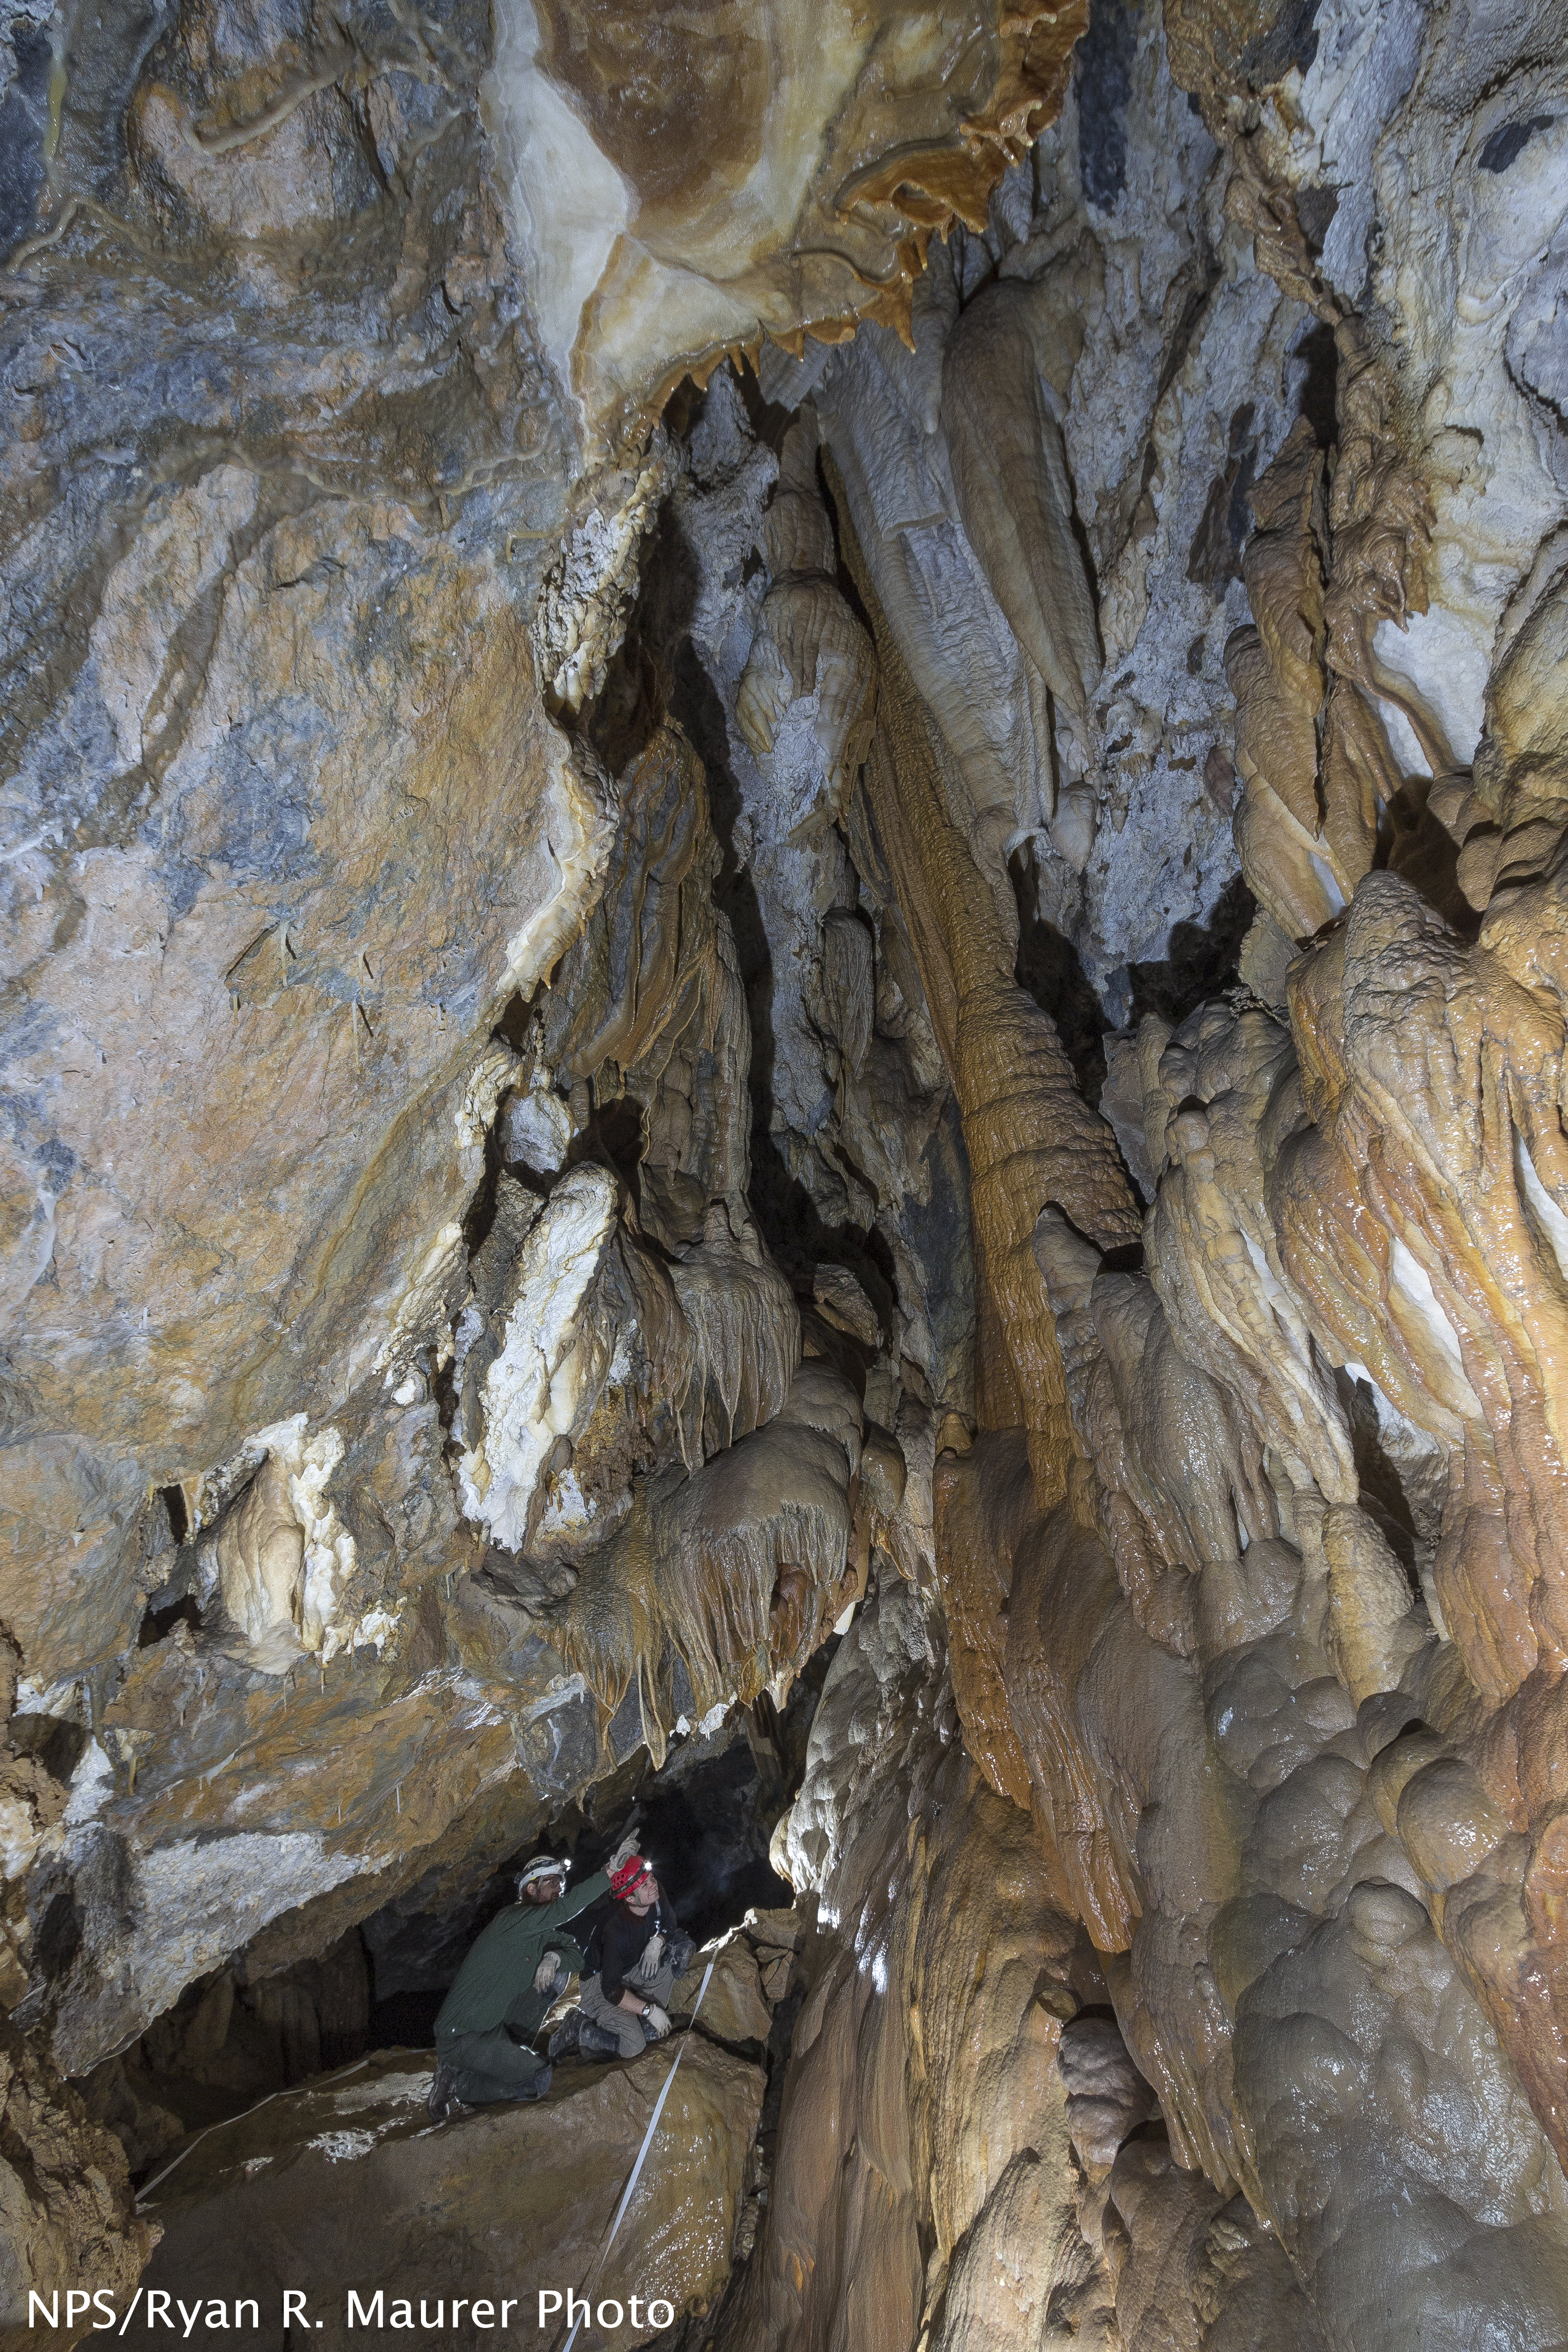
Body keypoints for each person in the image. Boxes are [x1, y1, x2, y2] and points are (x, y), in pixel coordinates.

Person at [427, 1830, 640, 2121]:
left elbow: (576, 1957)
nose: (559, 1891)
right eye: (553, 1884)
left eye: (561, 1887)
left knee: (558, 1976)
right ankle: (459, 2081)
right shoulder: (511, 1920)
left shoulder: (543, 1937)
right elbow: (564, 1910)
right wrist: (609, 1873)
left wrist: (553, 1957)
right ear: (531, 1889)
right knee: (539, 2080)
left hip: (493, 2028)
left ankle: (468, 2074)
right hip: (463, 2034)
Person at [551, 1854, 696, 2061]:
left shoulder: (652, 1892)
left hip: (630, 1966)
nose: (653, 1885)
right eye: (644, 1885)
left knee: (681, 1948)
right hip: (599, 1984)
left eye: (651, 1878)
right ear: (629, 1898)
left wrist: (658, 1942)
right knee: (635, 2045)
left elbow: (669, 1921)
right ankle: (581, 2028)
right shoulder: (616, 1930)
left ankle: (639, 2010)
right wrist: (649, 2010)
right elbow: (611, 1990)